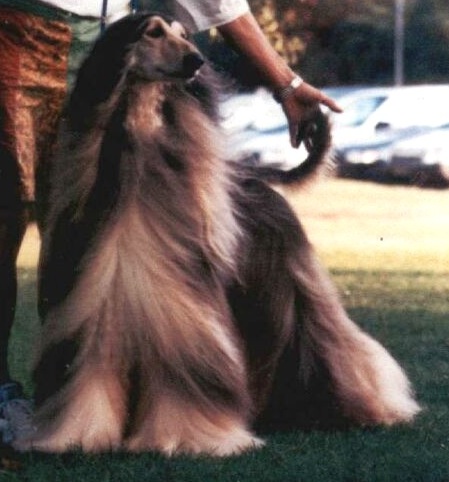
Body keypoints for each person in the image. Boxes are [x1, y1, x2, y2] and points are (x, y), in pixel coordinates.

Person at [0, 0, 341, 443]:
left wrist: (285, 82)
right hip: (16, 37)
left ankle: (85, 404)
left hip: (113, 50)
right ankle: (6, 397)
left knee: (94, 240)